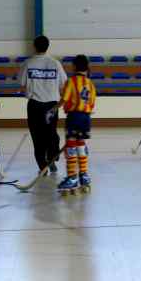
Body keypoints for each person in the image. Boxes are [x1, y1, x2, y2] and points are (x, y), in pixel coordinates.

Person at [19, 36, 67, 174]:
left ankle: (42, 166)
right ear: (47, 46)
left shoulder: (28, 63)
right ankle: (52, 159)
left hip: (34, 105)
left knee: (37, 136)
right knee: (51, 133)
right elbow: (64, 84)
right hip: (52, 105)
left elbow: (22, 84)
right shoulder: (55, 63)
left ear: (34, 46)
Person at [51, 54, 96, 194]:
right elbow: (92, 103)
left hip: (74, 117)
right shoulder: (90, 83)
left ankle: (72, 177)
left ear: (75, 66)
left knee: (71, 146)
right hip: (86, 118)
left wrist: (53, 109)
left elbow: (64, 99)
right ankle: (84, 176)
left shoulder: (71, 81)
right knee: (81, 144)